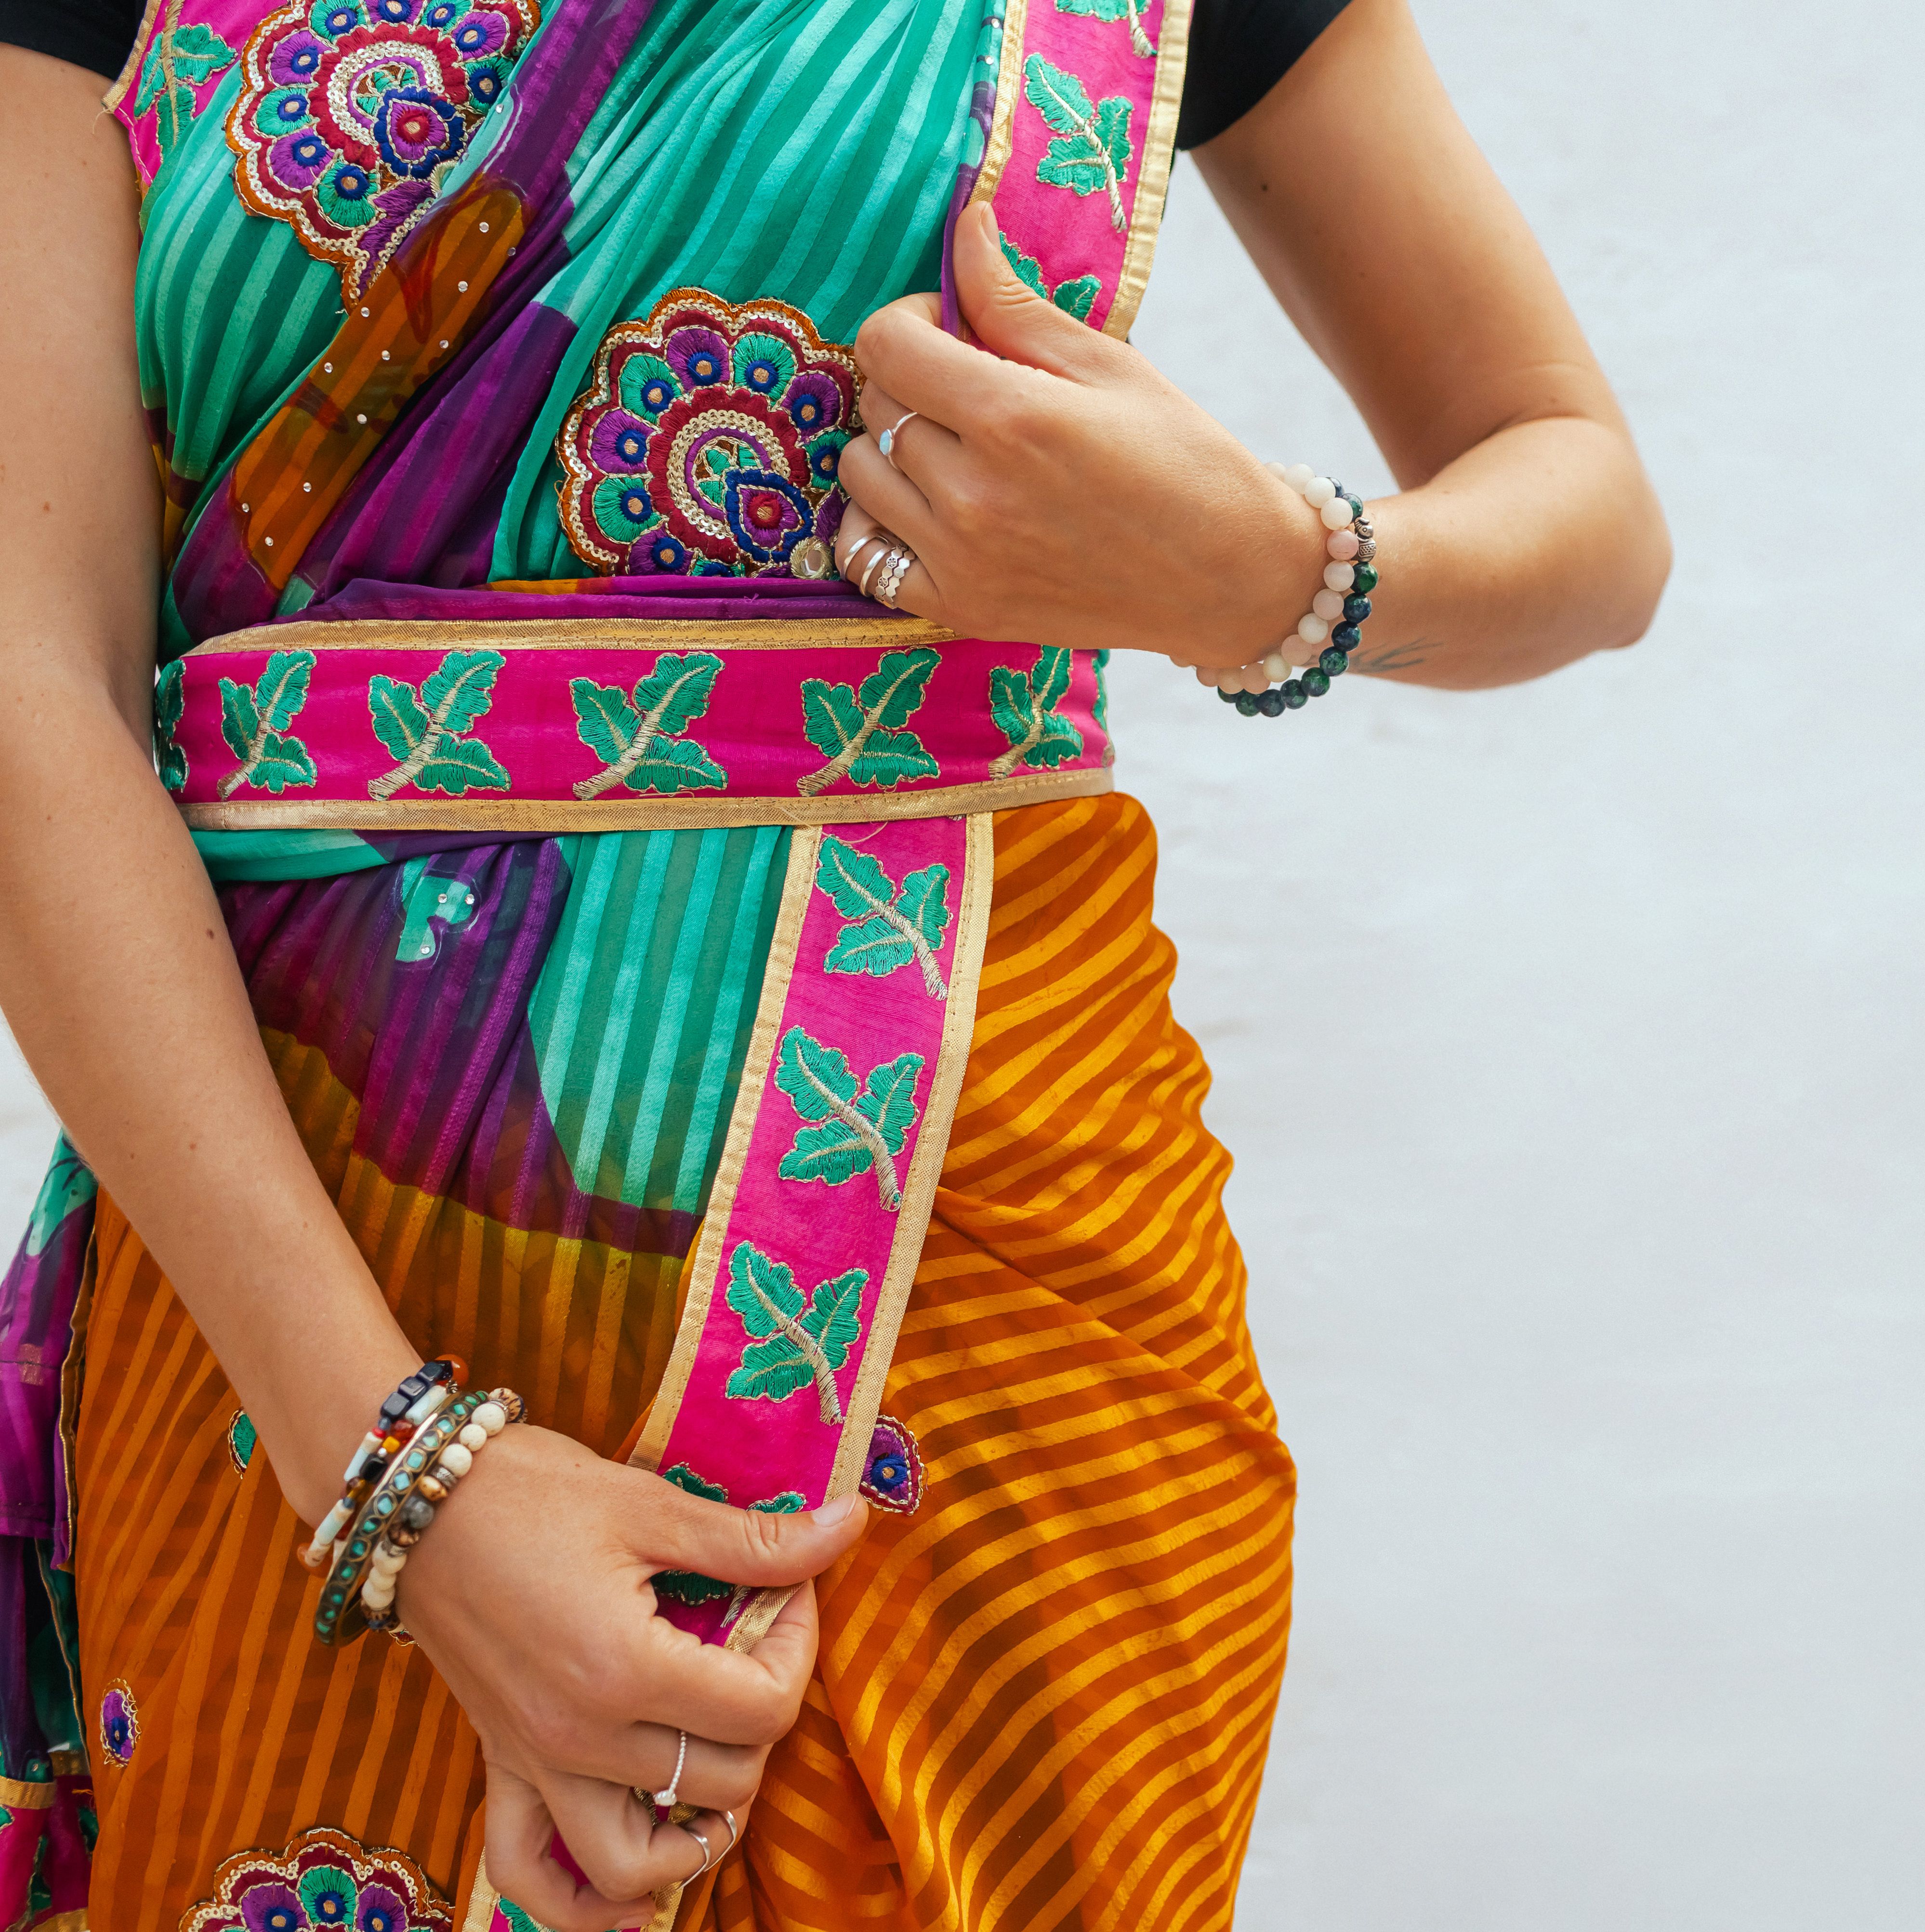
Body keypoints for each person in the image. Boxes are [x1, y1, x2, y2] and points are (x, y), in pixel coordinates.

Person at [0, 0, 1668, 1921]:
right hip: (288, 1321)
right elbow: (32, 690)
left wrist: (1270, 574)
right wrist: (401, 1475)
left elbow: (1582, 504)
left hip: (979, 1285)